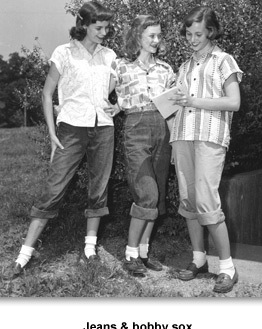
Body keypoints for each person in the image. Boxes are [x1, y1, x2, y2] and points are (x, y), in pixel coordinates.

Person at [7, 1, 117, 278]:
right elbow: (47, 94)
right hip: (71, 129)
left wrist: (118, 105)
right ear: (83, 25)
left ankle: (90, 250)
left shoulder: (110, 56)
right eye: (98, 27)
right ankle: (23, 256)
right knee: (53, 190)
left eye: (106, 28)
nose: (103, 32)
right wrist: (53, 133)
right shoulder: (64, 53)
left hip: (103, 128)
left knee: (98, 188)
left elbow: (114, 92)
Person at [169, 6, 243, 293]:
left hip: (210, 137)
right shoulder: (185, 66)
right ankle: (198, 260)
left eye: (198, 33)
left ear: (210, 31)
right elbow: (178, 106)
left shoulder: (224, 61)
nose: (192, 38)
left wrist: (194, 100)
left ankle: (227, 268)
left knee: (206, 202)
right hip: (183, 136)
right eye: (188, 34)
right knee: (188, 200)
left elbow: (233, 102)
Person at [110, 15, 175, 276]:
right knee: (146, 194)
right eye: (152, 36)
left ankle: (144, 253)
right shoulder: (120, 66)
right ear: (137, 36)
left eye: (159, 36)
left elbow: (172, 110)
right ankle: (130, 253)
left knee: (157, 194)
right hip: (135, 127)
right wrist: (112, 106)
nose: (157, 41)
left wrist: (175, 143)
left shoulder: (167, 69)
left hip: (162, 129)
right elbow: (101, 92)